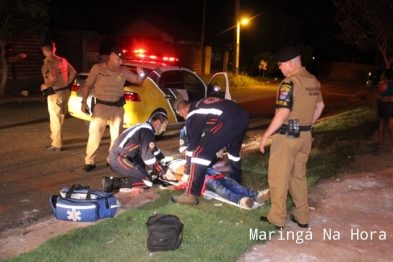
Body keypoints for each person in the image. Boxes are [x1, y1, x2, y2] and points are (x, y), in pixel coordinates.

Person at [259, 46, 324, 230]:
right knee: (299, 177)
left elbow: (283, 112)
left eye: (280, 64)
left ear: (290, 63)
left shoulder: (289, 83)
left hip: (287, 137)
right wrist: (307, 126)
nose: (279, 67)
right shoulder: (313, 81)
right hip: (305, 136)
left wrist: (265, 135)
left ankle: (277, 217)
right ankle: (302, 217)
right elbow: (320, 106)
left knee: (278, 178)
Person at [172, 98, 249, 205]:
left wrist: (187, 171)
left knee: (199, 153)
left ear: (184, 110)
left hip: (228, 119)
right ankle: (236, 180)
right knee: (233, 152)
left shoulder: (192, 114)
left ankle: (191, 194)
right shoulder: (201, 104)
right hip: (243, 116)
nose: (183, 117)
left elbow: (191, 147)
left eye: (181, 115)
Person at [81, 47, 143, 172]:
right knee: (95, 134)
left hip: (117, 108)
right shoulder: (98, 68)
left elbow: (138, 80)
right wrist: (84, 102)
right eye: (118, 59)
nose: (121, 62)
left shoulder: (123, 70)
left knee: (116, 137)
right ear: (111, 56)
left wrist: (141, 73)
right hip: (101, 107)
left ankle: (112, 159)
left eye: (122, 60)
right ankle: (90, 161)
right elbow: (87, 85)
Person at [102, 112, 168, 192]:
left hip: (120, 155)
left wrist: (162, 158)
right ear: (158, 122)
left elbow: (151, 148)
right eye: (164, 125)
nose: (164, 129)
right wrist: (162, 171)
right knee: (147, 183)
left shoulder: (144, 127)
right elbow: (148, 159)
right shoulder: (147, 131)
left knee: (145, 168)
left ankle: (140, 176)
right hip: (120, 158)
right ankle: (112, 182)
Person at [40, 39, 76, 151]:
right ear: (54, 48)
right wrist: (66, 83)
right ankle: (54, 136)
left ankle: (56, 144)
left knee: (55, 118)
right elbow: (73, 72)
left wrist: (44, 86)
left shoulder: (48, 64)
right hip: (65, 91)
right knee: (60, 117)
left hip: (55, 93)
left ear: (44, 50)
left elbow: (51, 80)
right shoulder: (62, 60)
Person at [377, 68, 393, 149]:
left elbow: (379, 96)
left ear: (386, 76)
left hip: (383, 106)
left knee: (382, 124)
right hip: (392, 106)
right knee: (391, 127)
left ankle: (380, 143)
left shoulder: (382, 85)